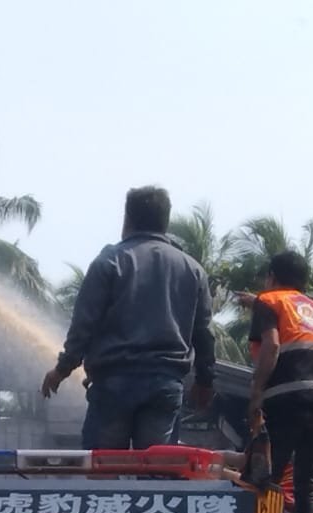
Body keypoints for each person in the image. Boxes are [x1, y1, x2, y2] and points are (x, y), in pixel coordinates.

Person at [42, 186, 216, 447]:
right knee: (157, 475)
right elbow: (204, 335)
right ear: (165, 222)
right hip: (165, 385)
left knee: (105, 474)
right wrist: (204, 381)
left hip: (113, 384)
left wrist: (62, 370)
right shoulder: (192, 269)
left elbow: (83, 326)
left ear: (127, 219)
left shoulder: (109, 262)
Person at [239, 251, 313, 513]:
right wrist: (255, 301)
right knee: (308, 481)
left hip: (288, 401)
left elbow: (271, 345)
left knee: (267, 476)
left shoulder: (268, 302)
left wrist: (256, 392)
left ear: (271, 276)